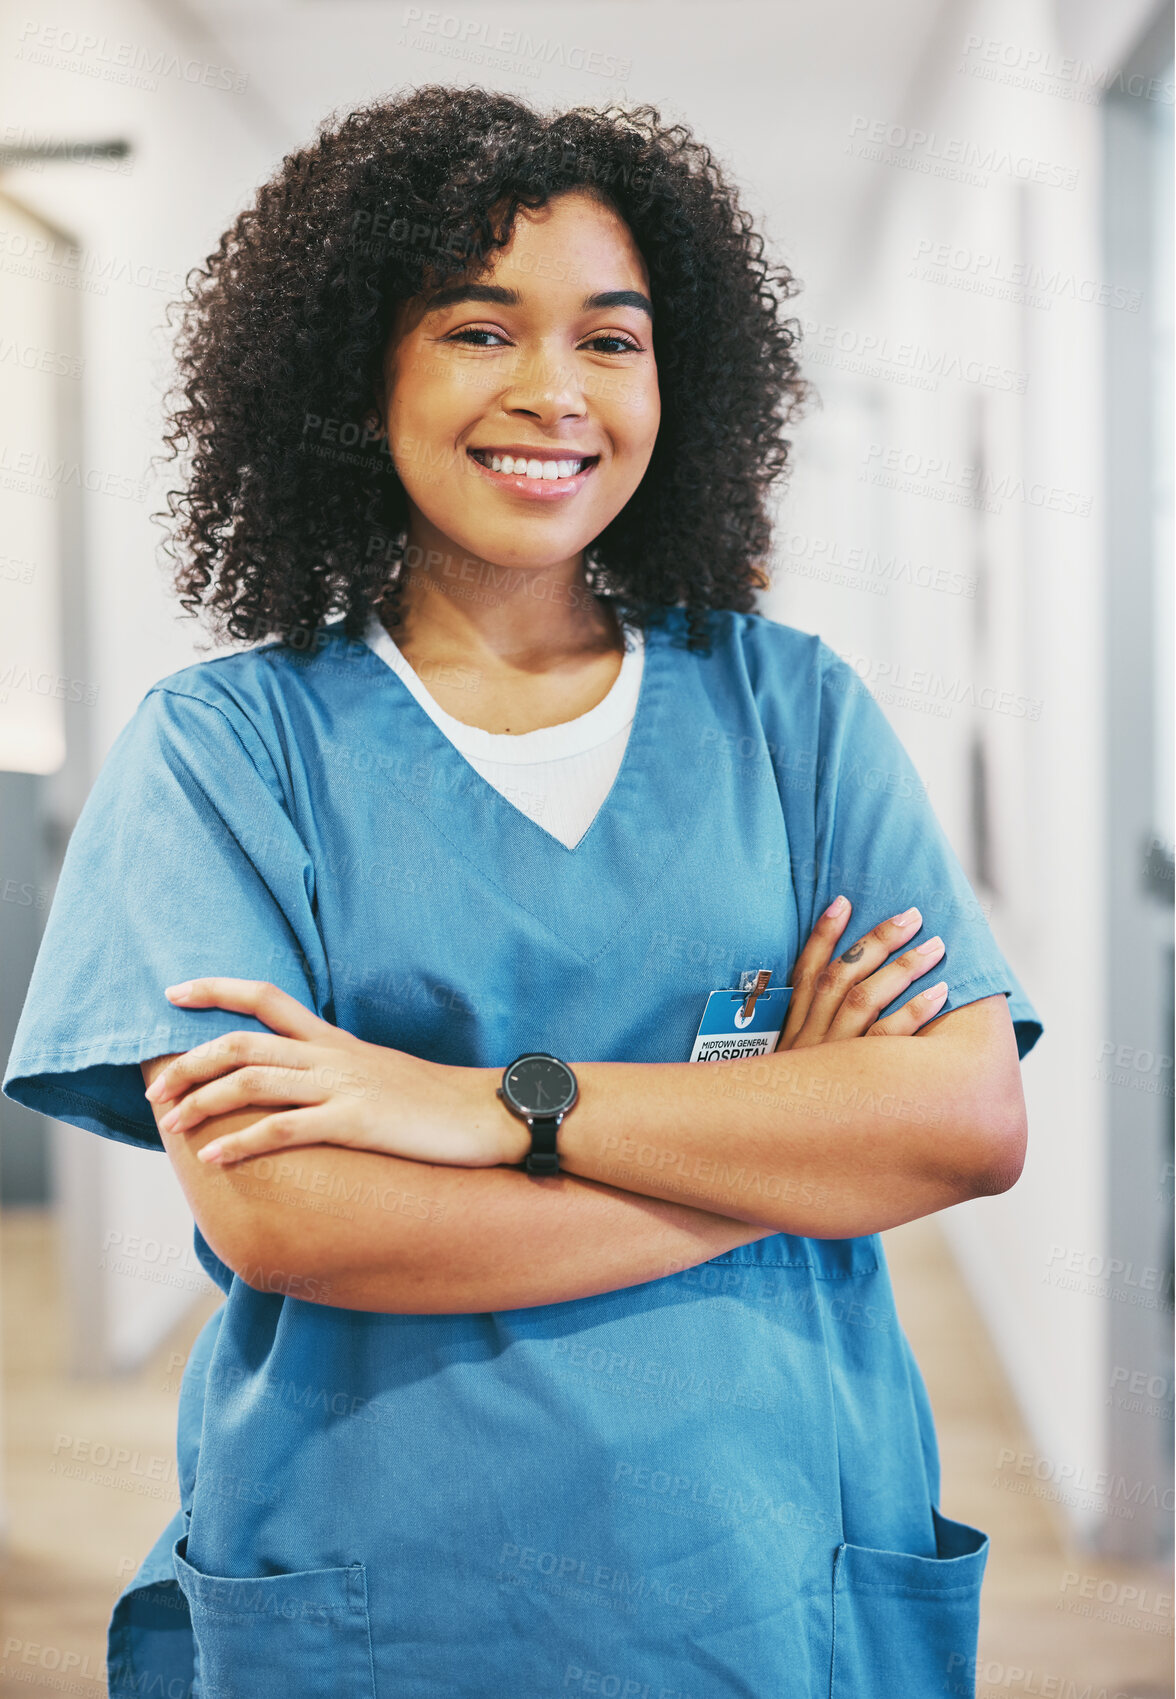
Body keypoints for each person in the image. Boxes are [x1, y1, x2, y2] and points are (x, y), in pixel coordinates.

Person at [3, 85, 1042, 1699]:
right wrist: (785, 1135)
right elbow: (293, 1211)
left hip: (768, 1564)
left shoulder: (791, 712)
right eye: (480, 331)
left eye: (611, 339)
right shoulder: (226, 752)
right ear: (362, 376)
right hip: (389, 1581)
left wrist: (482, 1104)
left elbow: (961, 1128)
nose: (554, 392)